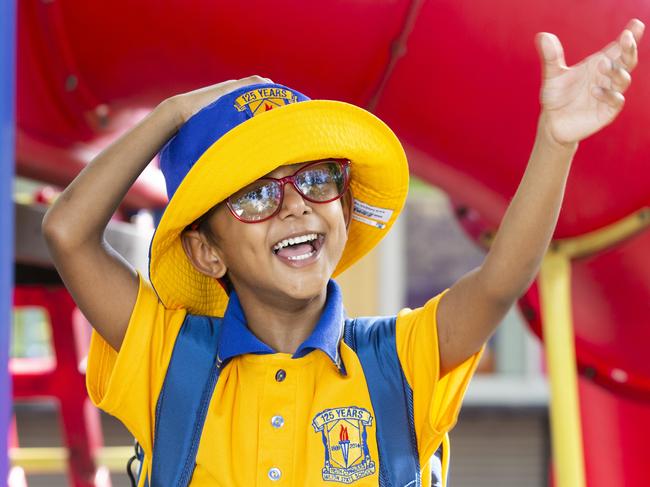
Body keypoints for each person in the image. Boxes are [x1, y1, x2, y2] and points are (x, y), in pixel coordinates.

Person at [42, 19, 644, 487]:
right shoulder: (168, 357)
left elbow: (497, 284)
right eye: (254, 196)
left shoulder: (399, 360)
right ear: (206, 252)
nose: (297, 206)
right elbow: (68, 230)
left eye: (318, 179)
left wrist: (555, 142)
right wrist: (170, 115)